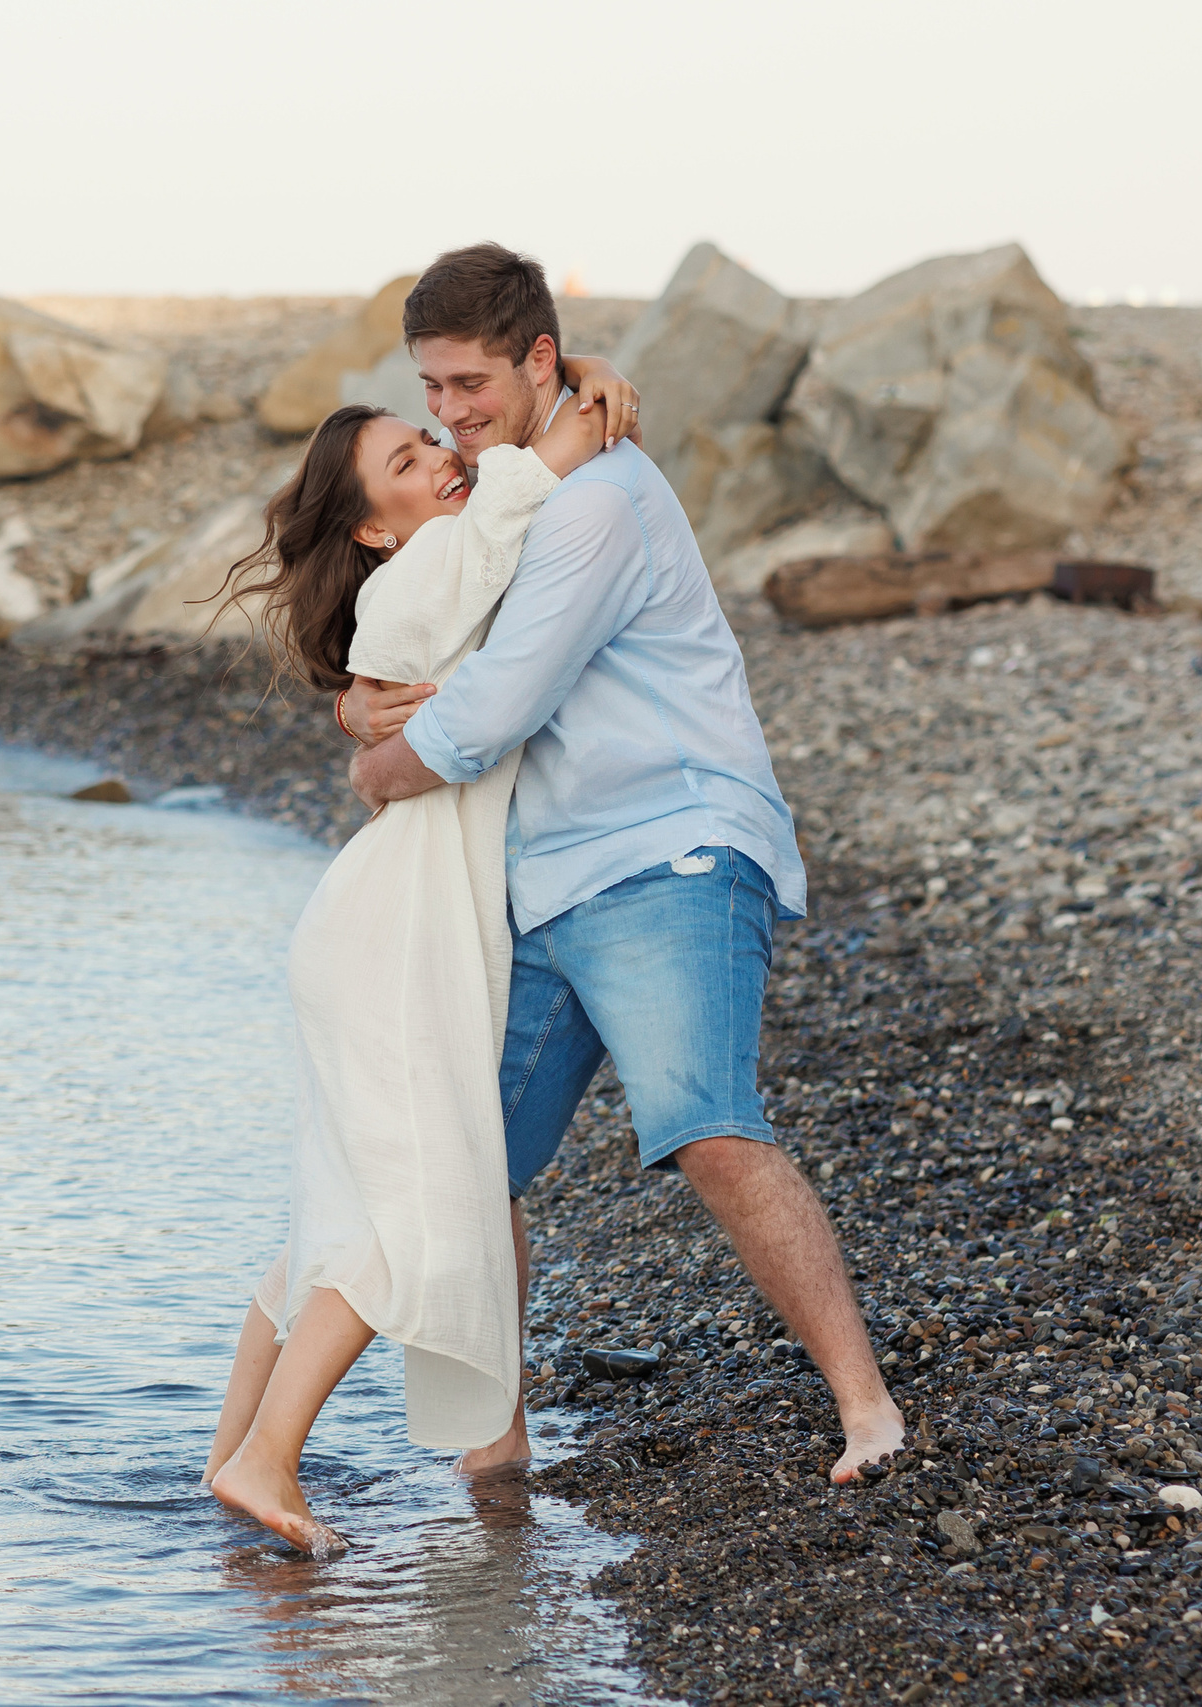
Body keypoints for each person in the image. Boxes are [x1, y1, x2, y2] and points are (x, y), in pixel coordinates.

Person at [341, 242, 906, 1488]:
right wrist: (358, 709)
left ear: (539, 361)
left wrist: (377, 772)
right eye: (429, 389)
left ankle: (867, 1409)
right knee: (463, 1155)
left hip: (671, 849)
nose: (449, 412)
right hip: (546, 880)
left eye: (470, 384)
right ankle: (494, 1446)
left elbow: (490, 708)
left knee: (702, 1123)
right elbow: (427, 630)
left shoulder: (597, 501)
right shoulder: (520, 482)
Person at [199, 356, 643, 1559]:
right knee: (405, 1213)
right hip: (392, 940)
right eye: (408, 462)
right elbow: (527, 483)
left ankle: (231, 1451)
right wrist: (580, 395)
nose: (442, 458)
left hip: (379, 925)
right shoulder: (431, 573)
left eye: (430, 439)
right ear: (371, 527)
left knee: (333, 1214)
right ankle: (264, 1461)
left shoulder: (422, 589)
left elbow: (506, 508)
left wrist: (568, 377)